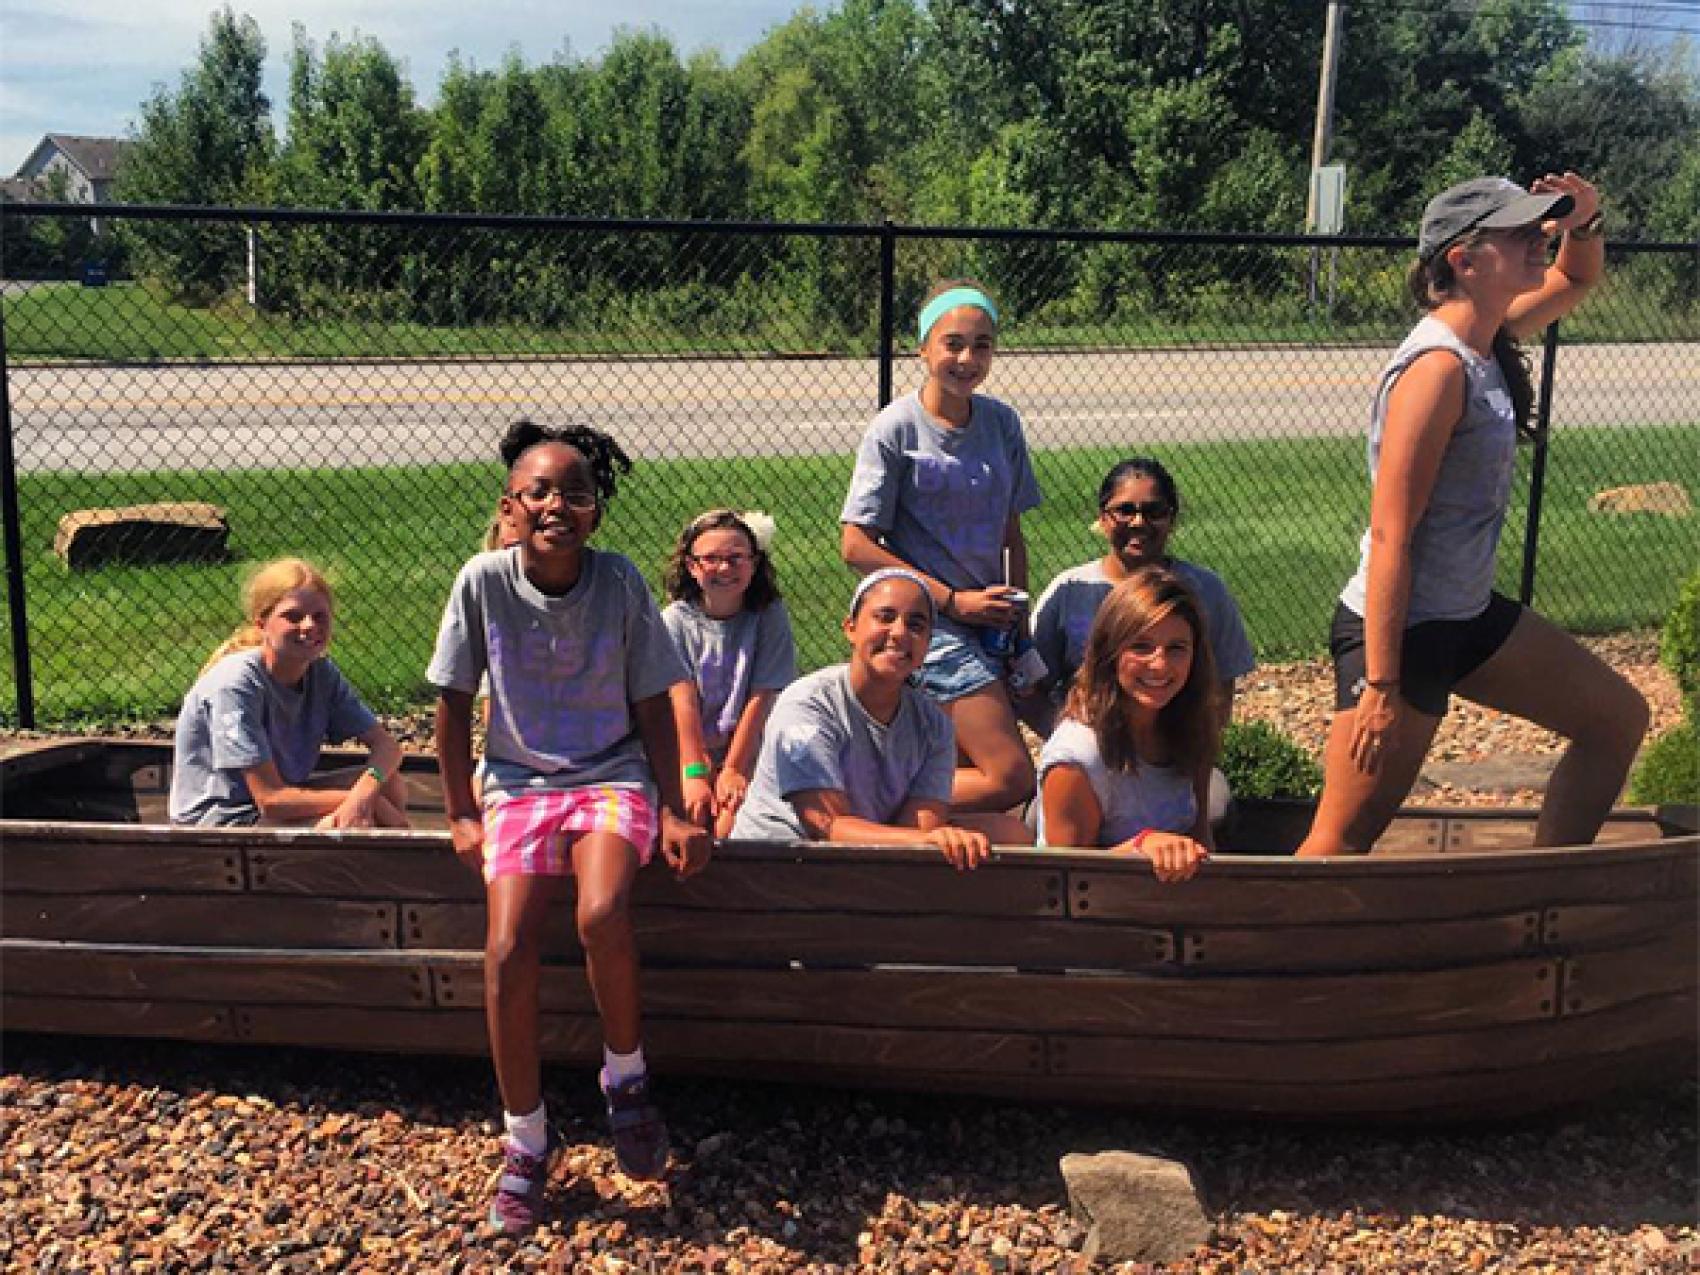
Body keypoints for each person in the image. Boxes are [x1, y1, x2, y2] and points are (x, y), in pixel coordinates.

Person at [1298, 173, 1648, 857]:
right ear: (1464, 260)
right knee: (1341, 838)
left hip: (1467, 616)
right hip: (1402, 635)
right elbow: (1392, 532)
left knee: (1616, 719)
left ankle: (1541, 902)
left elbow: (1578, 277)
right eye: (1519, 232)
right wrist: (1381, 686)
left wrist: (1587, 217)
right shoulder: (1436, 368)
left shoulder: (1490, 334)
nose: (1538, 239)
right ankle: (1253, 958)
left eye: (1538, 228)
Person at [428, 419, 711, 1234]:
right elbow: (450, 704)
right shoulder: (482, 581)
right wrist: (458, 810)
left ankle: (625, 1079)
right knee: (510, 945)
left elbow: (656, 701)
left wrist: (675, 806)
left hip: (610, 771)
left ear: (596, 510)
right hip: (518, 781)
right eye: (540, 491)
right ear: (511, 506)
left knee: (599, 911)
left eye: (576, 491)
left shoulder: (619, 583)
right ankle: (526, 1139)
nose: (558, 502)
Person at [840, 279, 1042, 816]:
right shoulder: (896, 429)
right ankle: (874, 807)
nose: (966, 357)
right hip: (934, 624)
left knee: (962, 767)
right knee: (1011, 777)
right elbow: (855, 543)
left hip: (991, 623)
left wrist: (1018, 630)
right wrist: (951, 602)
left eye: (982, 345)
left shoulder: (1001, 424)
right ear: (923, 348)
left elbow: (1011, 533)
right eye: (952, 343)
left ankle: (933, 867)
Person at [729, 569, 1005, 867]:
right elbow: (825, 825)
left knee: (1009, 833)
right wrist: (925, 841)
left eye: (916, 625)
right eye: (885, 617)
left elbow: (922, 823)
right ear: (850, 628)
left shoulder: (933, 725)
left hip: (859, 870)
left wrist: (931, 839)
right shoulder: (807, 704)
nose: (899, 633)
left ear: (927, 645)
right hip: (773, 866)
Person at [169, 557, 408, 829]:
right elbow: (270, 800)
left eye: (319, 616)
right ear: (261, 623)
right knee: (356, 817)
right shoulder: (236, 684)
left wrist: (366, 790)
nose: (309, 626)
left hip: (275, 804)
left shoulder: (320, 673)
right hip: (223, 820)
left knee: (388, 784)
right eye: (293, 616)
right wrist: (362, 801)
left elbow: (387, 747)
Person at [1027, 456, 1255, 738]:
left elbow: (1221, 688)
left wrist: (1192, 749)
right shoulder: (1069, 590)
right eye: (1124, 510)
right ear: (1102, 518)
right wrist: (1072, 740)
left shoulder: (1205, 589)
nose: (1138, 522)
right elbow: (1031, 687)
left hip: (1176, 751)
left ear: (1171, 518)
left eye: (1154, 511)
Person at [1037, 566, 1219, 883]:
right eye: (1141, 647)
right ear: (1109, 652)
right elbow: (1064, 883)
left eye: (1176, 648)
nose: (1160, 664)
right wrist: (1140, 847)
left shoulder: (1193, 727)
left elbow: (1201, 837)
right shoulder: (1077, 757)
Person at [663, 509, 797, 839]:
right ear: (692, 567)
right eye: (711, 558)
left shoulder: (768, 616)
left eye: (736, 558)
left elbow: (761, 696)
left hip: (749, 748)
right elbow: (683, 702)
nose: (724, 568)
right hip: (689, 749)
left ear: (754, 564)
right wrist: (694, 772)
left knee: (730, 824)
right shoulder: (675, 622)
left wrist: (735, 769)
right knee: (694, 814)